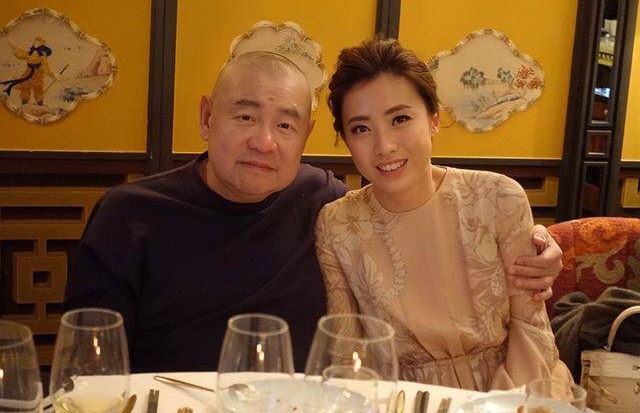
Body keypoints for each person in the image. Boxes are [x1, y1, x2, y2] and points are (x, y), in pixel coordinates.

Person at [65, 48, 561, 373]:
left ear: (305, 137)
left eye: (285, 125)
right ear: (206, 117)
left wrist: (537, 243)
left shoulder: (320, 201)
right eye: (245, 116)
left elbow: (415, 217)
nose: (264, 141)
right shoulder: (129, 215)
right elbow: (90, 365)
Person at [315, 38, 573, 390]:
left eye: (400, 119)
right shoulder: (337, 224)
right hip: (401, 400)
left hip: (518, 389)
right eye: (361, 128)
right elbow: (347, 354)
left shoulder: (498, 198)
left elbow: (532, 334)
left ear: (434, 119)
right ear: (346, 139)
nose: (384, 146)